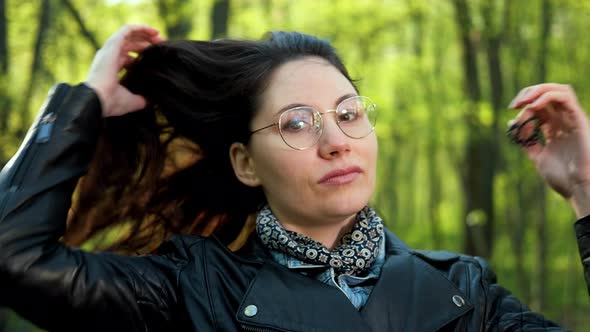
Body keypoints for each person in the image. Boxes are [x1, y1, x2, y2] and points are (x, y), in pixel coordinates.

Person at [0, 23, 582, 331]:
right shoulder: (191, 291)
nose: (335, 142)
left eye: (349, 114)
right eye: (296, 124)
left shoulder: (466, 293)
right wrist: (85, 101)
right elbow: (12, 256)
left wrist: (585, 190)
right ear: (245, 163)